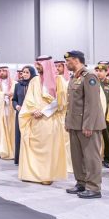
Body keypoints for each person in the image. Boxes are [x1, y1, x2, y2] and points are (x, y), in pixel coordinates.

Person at [17, 57, 68, 185]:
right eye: (37, 64)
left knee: (48, 150)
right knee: (33, 145)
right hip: (34, 118)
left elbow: (61, 100)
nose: (37, 67)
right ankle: (32, 175)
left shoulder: (59, 79)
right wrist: (34, 110)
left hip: (50, 119)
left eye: (39, 64)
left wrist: (44, 111)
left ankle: (46, 176)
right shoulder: (34, 80)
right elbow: (29, 99)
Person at [64, 50, 106, 199]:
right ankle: (81, 183)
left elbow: (92, 103)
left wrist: (88, 125)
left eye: (68, 61)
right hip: (75, 124)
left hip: (88, 125)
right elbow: (71, 103)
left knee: (91, 157)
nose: (66, 64)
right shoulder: (74, 77)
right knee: (77, 157)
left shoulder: (89, 76)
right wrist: (68, 121)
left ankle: (94, 188)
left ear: (76, 60)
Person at [12, 65, 36, 165]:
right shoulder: (18, 85)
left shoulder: (35, 85)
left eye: (27, 72)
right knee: (20, 136)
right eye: (23, 72)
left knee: (31, 137)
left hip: (32, 115)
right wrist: (16, 106)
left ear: (32, 73)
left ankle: (31, 159)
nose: (24, 74)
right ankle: (20, 159)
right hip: (21, 115)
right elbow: (14, 99)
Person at [0, 66, 16, 160]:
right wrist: (4, 94)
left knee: (11, 130)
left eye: (4, 71)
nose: (1, 72)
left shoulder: (14, 83)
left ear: (8, 72)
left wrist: (12, 94)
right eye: (0, 71)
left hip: (11, 111)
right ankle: (0, 150)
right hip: (0, 111)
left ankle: (12, 151)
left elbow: (16, 94)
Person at [95, 62, 109, 168]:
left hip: (107, 115)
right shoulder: (92, 82)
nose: (98, 73)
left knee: (107, 137)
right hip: (95, 114)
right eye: (97, 71)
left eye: (101, 71)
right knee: (95, 138)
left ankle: (108, 158)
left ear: (107, 72)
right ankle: (96, 157)